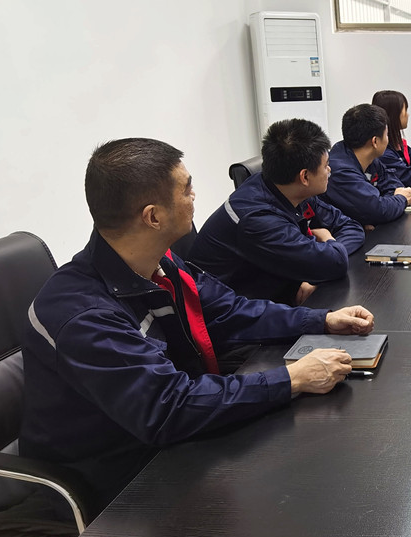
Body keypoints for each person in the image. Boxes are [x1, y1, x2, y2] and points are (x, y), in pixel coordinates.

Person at [19, 138, 374, 517]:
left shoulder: (159, 264)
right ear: (153, 216)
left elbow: (230, 310)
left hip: (163, 440)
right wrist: (293, 379)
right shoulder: (85, 315)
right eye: (186, 189)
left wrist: (321, 319)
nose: (194, 196)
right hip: (111, 481)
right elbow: (168, 407)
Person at [190, 119, 365, 305]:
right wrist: (328, 242)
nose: (329, 170)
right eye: (325, 166)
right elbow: (335, 263)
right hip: (233, 310)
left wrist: (324, 256)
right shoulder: (258, 218)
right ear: (305, 176)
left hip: (273, 291)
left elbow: (351, 228)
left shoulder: (291, 189)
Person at [320, 103, 411, 226]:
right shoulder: (341, 171)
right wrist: (401, 199)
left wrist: (384, 202)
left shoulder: (370, 159)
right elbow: (378, 211)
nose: (388, 140)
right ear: (375, 141)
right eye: (386, 135)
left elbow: (394, 185)